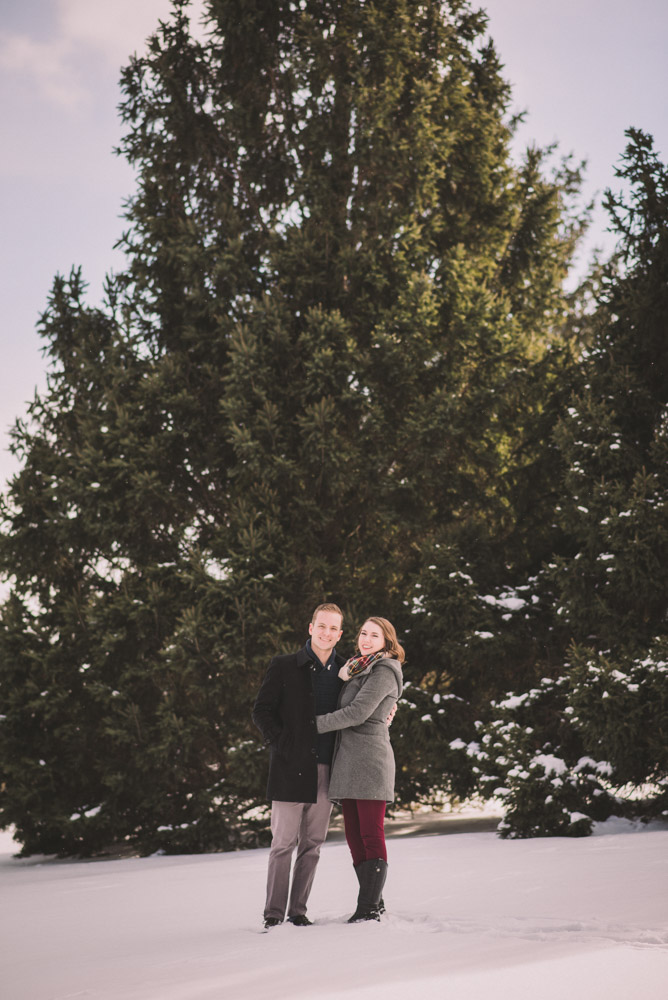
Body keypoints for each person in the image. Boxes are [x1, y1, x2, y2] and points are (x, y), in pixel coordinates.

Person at [252, 603, 345, 928]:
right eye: (322, 626)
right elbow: (261, 710)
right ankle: (274, 914)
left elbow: (365, 704)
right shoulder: (284, 666)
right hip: (290, 769)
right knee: (282, 845)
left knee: (312, 845)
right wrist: (283, 743)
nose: (326, 633)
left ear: (340, 634)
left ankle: (298, 912)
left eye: (333, 628)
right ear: (310, 627)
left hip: (327, 769)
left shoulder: (346, 670)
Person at [316, 616, 404, 923]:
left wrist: (313, 725)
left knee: (370, 832)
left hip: (369, 760)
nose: (366, 639)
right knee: (354, 835)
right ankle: (373, 902)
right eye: (364, 633)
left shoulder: (384, 670)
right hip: (349, 760)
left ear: (387, 642)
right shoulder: (356, 668)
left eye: (374, 635)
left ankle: (367, 908)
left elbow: (358, 712)